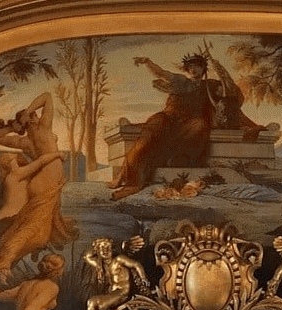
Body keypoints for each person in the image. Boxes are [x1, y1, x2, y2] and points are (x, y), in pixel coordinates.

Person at [109, 52, 254, 201]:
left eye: (197, 66)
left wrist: (222, 71)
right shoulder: (180, 80)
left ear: (203, 68)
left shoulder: (210, 85)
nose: (193, 70)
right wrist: (148, 62)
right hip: (169, 117)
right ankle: (127, 176)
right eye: (190, 67)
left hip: (190, 121)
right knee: (150, 131)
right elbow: (161, 73)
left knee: (200, 126)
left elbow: (230, 93)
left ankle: (177, 159)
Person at [0, 92, 75, 278]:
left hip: (40, 182)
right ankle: (5, 260)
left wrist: (12, 127)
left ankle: (9, 257)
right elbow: (47, 97)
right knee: (35, 227)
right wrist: (28, 112)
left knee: (34, 225)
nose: (36, 117)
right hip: (48, 178)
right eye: (34, 115)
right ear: (32, 119)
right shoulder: (44, 129)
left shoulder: (24, 142)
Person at [82, 237, 150, 310]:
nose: (105, 251)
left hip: (122, 291)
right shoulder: (101, 265)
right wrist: (96, 248)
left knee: (103, 306)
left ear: (112, 249)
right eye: (102, 248)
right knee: (91, 301)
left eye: (108, 248)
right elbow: (87, 257)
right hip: (112, 292)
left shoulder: (119, 259)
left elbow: (136, 265)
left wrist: (143, 278)